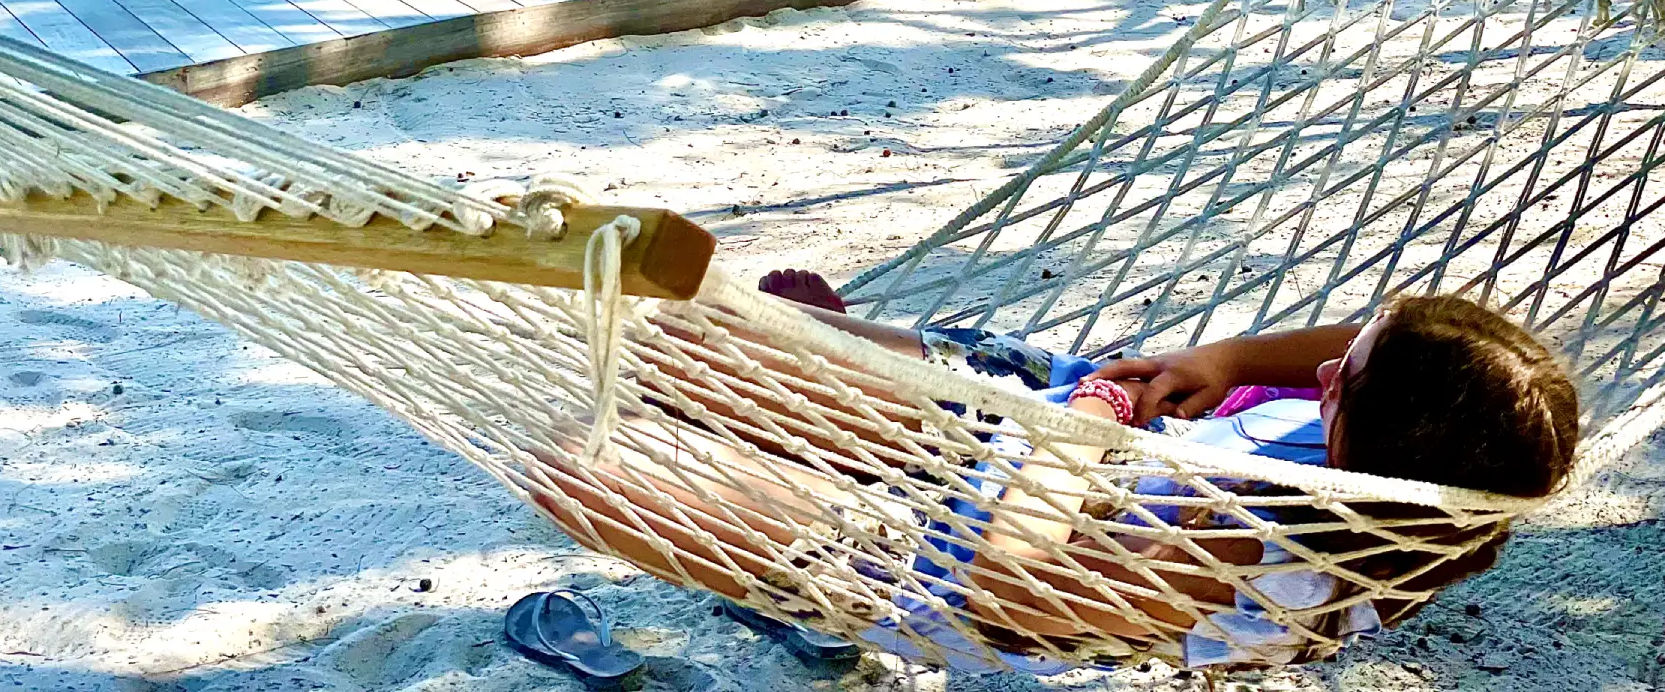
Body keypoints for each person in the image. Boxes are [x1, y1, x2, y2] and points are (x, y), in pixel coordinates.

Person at [535, 269, 1578, 672]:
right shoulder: (1447, 440)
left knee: (573, 472)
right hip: (1034, 439)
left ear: (1371, 447)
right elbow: (1368, 338)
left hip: (963, 554)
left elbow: (1009, 581)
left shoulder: (1257, 563)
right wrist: (1214, 364)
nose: (1314, 374)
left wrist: (1086, 423)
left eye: (1335, 387)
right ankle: (805, 388)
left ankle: (797, 440)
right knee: (683, 342)